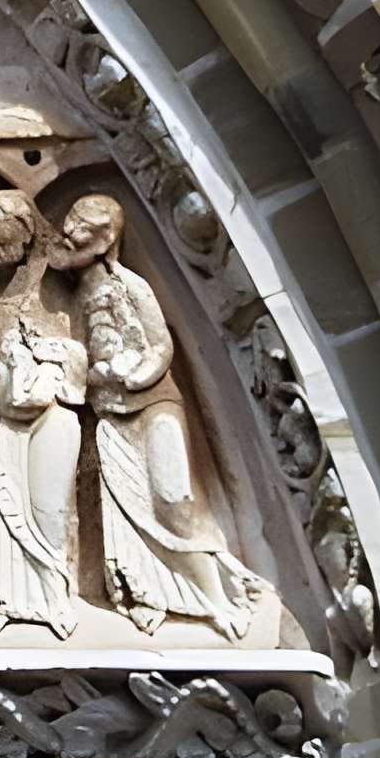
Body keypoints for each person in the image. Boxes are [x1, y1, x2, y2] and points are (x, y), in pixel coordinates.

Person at [66, 194, 263, 638]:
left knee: (173, 499)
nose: (70, 233)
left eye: (83, 228)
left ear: (105, 241)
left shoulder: (130, 285)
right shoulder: (77, 297)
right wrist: (97, 376)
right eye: (71, 223)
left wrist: (132, 376)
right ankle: (151, 594)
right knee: (128, 507)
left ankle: (218, 596)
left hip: (154, 405)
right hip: (111, 417)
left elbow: (160, 345)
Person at [0, 191, 86, 639]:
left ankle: (53, 598)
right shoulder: (7, 289)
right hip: (10, 414)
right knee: (3, 507)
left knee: (49, 508)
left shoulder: (58, 282)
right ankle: (2, 598)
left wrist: (49, 358)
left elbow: (84, 350)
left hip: (54, 412)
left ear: (26, 231)